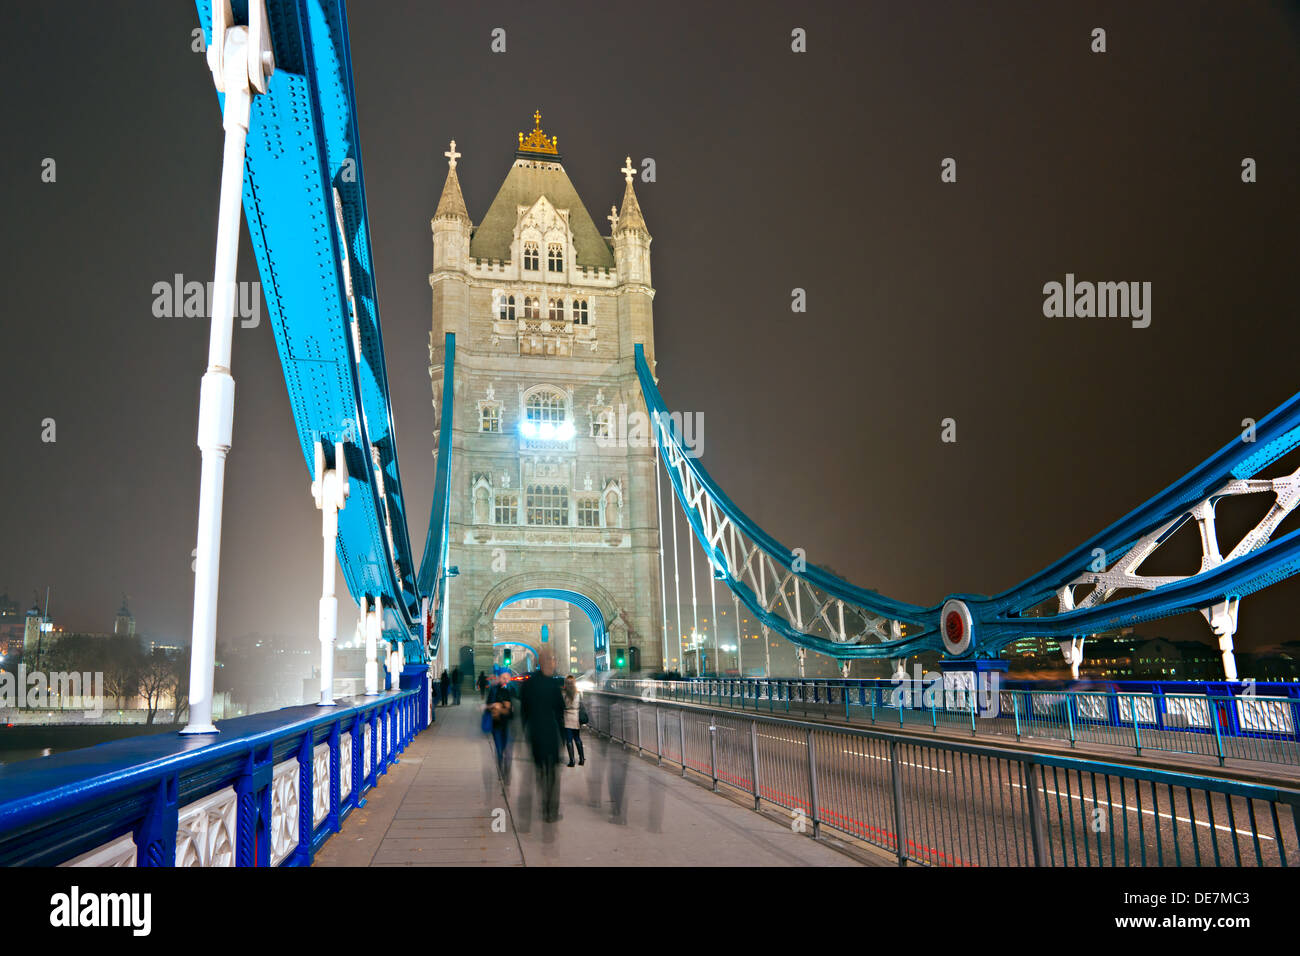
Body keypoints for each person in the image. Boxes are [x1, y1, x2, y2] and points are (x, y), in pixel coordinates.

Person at [518, 648, 566, 824]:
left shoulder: (529, 684)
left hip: (535, 735)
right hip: (551, 735)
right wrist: (563, 737)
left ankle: (544, 807)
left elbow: (524, 711)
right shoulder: (553, 684)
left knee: (541, 773)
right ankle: (550, 810)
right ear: (548, 662)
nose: (554, 663)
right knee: (552, 775)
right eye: (552, 659)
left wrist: (526, 732)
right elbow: (561, 711)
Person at [484, 667, 515, 782]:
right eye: (503, 677)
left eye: (507, 677)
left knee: (507, 749)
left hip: (508, 724)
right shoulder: (494, 689)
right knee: (499, 749)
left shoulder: (513, 689)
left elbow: (517, 706)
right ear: (499, 677)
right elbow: (488, 705)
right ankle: (501, 770)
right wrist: (493, 706)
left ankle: (507, 771)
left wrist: (511, 708)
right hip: (496, 724)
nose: (505, 679)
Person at [562, 675, 585, 767]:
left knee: (569, 740)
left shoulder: (563, 694)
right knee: (577, 738)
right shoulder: (579, 693)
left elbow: (561, 705)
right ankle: (582, 759)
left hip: (567, 716)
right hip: (576, 717)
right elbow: (581, 705)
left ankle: (572, 761)